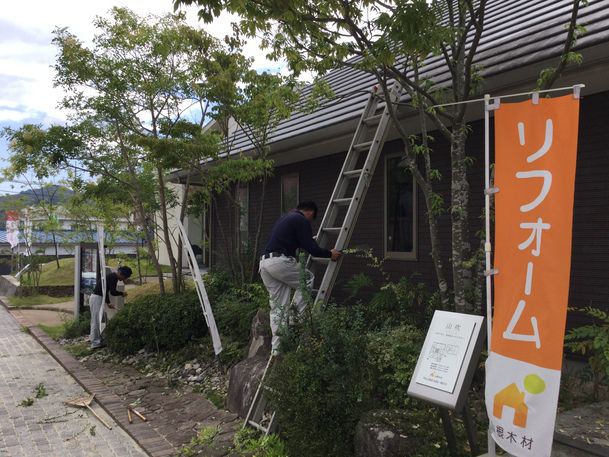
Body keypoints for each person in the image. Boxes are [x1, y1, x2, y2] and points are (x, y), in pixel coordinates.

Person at [259, 201, 341, 354]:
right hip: (279, 262)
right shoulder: (301, 219)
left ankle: (276, 349)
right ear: (310, 212)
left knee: (278, 307)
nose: (309, 222)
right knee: (307, 279)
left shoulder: (286, 218)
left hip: (264, 264)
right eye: (311, 219)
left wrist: (308, 239)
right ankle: (295, 317)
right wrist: (330, 254)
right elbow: (311, 249)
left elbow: (298, 241)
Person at [89, 266, 132, 349]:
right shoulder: (114, 277)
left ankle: (97, 340)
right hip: (97, 298)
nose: (123, 279)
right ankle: (95, 343)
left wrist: (108, 303)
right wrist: (121, 293)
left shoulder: (112, 276)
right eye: (124, 277)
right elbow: (112, 292)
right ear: (120, 273)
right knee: (96, 321)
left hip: (98, 297)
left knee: (96, 320)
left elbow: (105, 291)